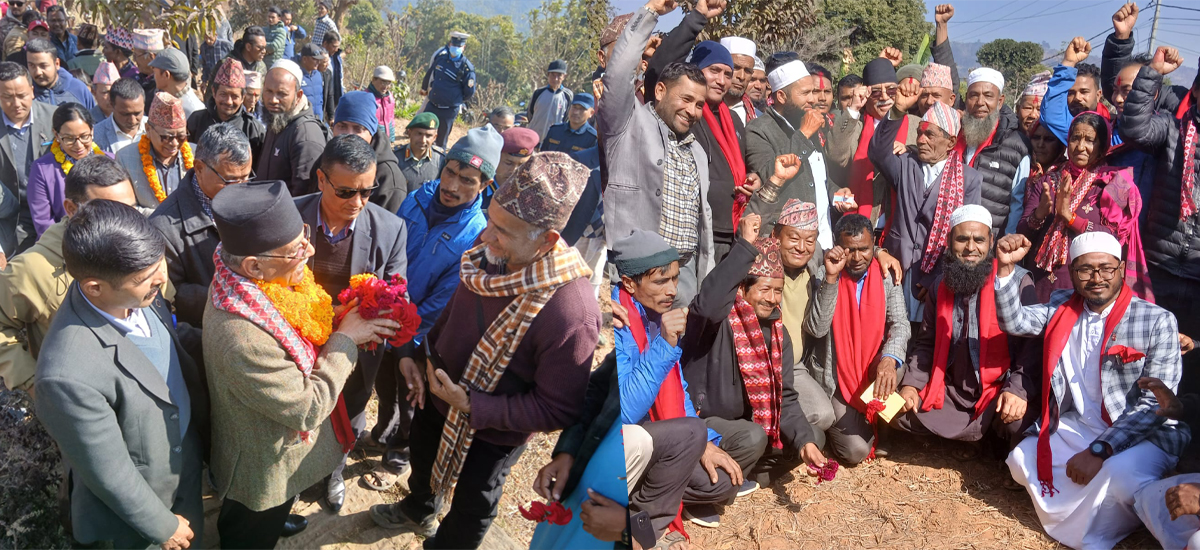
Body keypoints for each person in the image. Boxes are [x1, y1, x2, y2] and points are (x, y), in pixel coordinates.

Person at [369, 152, 598, 550]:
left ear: (547, 241)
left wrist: (473, 405)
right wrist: (423, 359)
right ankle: (418, 508)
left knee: (473, 503)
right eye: (489, 220)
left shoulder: (571, 311)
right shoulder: (487, 248)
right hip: (435, 393)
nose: (486, 235)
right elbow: (457, 308)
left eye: (503, 231)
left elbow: (559, 408)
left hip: (491, 431)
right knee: (422, 461)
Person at [203, 178, 398, 549]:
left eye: (303, 235)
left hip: (280, 449)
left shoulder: (252, 281)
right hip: (262, 463)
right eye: (294, 250)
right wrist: (346, 339)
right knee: (251, 528)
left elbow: (299, 323)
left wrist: (339, 317)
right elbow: (307, 409)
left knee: (277, 507)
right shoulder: (242, 338)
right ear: (254, 266)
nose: (308, 250)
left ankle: (276, 521)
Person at [993, 231, 1186, 550]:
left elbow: (1156, 405)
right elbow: (1015, 322)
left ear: (1122, 269)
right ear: (1072, 271)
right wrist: (1004, 271)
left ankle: (1111, 522)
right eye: (1085, 269)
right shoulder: (1061, 307)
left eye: (1106, 268)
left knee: (1119, 478)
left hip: (1143, 433)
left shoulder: (1156, 320)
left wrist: (1099, 451)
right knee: (1021, 458)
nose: (1096, 277)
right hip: (1081, 426)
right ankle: (1085, 512)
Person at [36, 198, 207, 550]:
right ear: (95, 287)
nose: (162, 277)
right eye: (146, 277)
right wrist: (161, 526)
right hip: (138, 519)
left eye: (157, 262)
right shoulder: (66, 374)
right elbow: (109, 473)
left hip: (183, 473)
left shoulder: (139, 290)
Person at [366, 126, 498, 491]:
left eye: (467, 180)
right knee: (384, 380)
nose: (452, 185)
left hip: (420, 332)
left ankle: (402, 446)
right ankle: (384, 424)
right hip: (386, 312)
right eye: (450, 172)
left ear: (484, 186)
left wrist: (405, 335)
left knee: (413, 392)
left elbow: (443, 302)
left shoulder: (475, 235)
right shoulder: (418, 198)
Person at [676, 215, 829, 526]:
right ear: (743, 288)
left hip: (746, 424)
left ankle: (749, 474)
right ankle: (704, 493)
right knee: (752, 436)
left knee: (813, 436)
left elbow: (784, 397)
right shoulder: (715, 323)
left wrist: (804, 443)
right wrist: (744, 247)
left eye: (777, 290)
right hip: (703, 420)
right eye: (764, 290)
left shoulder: (777, 333)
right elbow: (706, 303)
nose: (772, 299)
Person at [294, 134, 408, 512]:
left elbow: (398, 293)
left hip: (357, 352)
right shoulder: (289, 217)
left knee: (351, 412)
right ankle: (293, 479)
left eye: (366, 191)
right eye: (346, 192)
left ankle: (333, 471)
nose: (357, 203)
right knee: (298, 415)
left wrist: (382, 312)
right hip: (295, 345)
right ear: (321, 179)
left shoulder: (391, 229)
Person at [892, 204, 1040, 450]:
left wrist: (1017, 390)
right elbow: (926, 343)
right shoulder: (940, 286)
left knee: (1015, 422)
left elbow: (1032, 349)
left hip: (996, 389)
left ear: (991, 242)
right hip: (951, 388)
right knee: (899, 412)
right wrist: (911, 385)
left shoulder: (1017, 281)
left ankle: (981, 434)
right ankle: (977, 439)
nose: (971, 248)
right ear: (950, 242)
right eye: (962, 239)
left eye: (979, 240)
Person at [601, 0, 715, 308]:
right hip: (637, 276)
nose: (692, 110)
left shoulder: (697, 152)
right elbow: (618, 74)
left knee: (678, 356)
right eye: (686, 99)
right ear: (661, 91)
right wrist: (651, 11)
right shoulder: (628, 124)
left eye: (700, 104)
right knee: (634, 355)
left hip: (686, 277)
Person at [609, 227, 716, 544]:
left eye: (674, 278)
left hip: (656, 436)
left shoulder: (657, 313)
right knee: (692, 435)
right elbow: (625, 412)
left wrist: (706, 444)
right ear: (630, 283)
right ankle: (644, 525)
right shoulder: (616, 319)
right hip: (624, 440)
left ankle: (663, 489)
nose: (673, 290)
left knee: (723, 472)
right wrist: (666, 344)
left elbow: (678, 389)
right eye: (661, 281)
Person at [0, 155, 136, 395]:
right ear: (72, 209)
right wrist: (33, 383)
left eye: (131, 208)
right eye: (109, 211)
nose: (126, 221)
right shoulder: (32, 269)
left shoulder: (141, 242)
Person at [646, 5, 764, 265]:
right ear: (696, 71)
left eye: (728, 74)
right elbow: (658, 69)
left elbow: (745, 167)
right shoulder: (681, 116)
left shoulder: (732, 119)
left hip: (731, 233)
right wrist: (696, 19)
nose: (723, 80)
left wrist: (752, 179)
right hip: (694, 235)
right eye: (714, 71)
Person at [1120, 53, 1200, 392]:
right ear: (1196, 90)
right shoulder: (1172, 127)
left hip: (1198, 278)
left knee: (1192, 367)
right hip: (1159, 266)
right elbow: (1133, 125)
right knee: (1145, 362)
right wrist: (1152, 72)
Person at [803, 213, 910, 464]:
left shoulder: (885, 274)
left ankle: (880, 422)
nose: (857, 257)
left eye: (864, 249)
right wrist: (831, 279)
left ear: (874, 245)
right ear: (838, 246)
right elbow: (817, 329)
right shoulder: (823, 273)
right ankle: (856, 420)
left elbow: (900, 324)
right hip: (839, 378)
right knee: (855, 452)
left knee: (897, 365)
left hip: (872, 369)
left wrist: (889, 359)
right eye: (850, 250)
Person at [1017, 111, 1151, 304]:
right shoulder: (1050, 179)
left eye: (1090, 140)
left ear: (1103, 146)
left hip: (1086, 286)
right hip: (1040, 280)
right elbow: (1022, 231)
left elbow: (1114, 238)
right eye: (1075, 138)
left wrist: (1069, 217)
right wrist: (1039, 214)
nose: (1080, 147)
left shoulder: (1113, 184)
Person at [869, 100, 982, 313]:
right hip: (897, 269)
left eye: (929, 135)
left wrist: (937, 278)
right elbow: (877, 152)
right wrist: (896, 111)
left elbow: (967, 236)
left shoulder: (969, 179)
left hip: (937, 279)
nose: (920, 140)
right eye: (919, 133)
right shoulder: (905, 165)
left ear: (950, 142)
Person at [149, 123, 252, 329]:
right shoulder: (163, 227)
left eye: (246, 177)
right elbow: (168, 295)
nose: (240, 188)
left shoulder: (247, 196)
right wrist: (232, 296)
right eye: (230, 180)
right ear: (199, 168)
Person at [528, 352, 633, 550]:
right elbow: (596, 389)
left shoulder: (706, 383)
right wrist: (567, 451)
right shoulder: (640, 329)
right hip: (574, 499)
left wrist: (629, 528)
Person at [744, 59, 845, 248]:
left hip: (821, 239)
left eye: (813, 92)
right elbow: (768, 178)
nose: (813, 99)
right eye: (805, 93)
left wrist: (835, 191)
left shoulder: (806, 122)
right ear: (782, 96)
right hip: (788, 246)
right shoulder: (759, 129)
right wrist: (804, 134)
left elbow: (816, 175)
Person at [827, 57, 921, 231]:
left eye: (891, 90)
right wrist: (854, 109)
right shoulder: (855, 125)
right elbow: (836, 156)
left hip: (902, 225)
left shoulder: (917, 125)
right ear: (866, 94)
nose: (884, 97)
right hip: (859, 224)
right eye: (876, 92)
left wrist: (910, 150)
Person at [957, 67, 1031, 234]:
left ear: (1000, 101)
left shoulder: (1018, 146)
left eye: (988, 96)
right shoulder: (953, 135)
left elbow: (1017, 205)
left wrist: (1006, 245)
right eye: (973, 95)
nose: (980, 102)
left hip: (989, 244)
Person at [0, 61, 56, 255]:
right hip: (9, 218)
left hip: (52, 213)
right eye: (7, 97)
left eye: (22, 96)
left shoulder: (54, 118)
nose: (16, 104)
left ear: (32, 91)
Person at [318, 90, 405, 212]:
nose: (349, 135)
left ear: (372, 132)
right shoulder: (327, 159)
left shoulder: (388, 178)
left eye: (358, 129)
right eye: (342, 126)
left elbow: (386, 227)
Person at [27, 102, 104, 236]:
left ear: (92, 130)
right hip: (63, 245)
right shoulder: (43, 169)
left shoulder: (109, 161)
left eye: (84, 136)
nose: (78, 145)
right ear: (56, 135)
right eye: (69, 139)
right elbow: (44, 223)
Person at [258, 60, 328, 198]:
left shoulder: (305, 135)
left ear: (298, 96)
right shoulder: (278, 118)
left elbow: (306, 198)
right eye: (268, 91)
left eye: (281, 94)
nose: (273, 100)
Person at [118, 91, 191, 208]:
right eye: (166, 137)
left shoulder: (197, 154)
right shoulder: (125, 159)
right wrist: (165, 219)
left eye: (181, 136)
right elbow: (126, 207)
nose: (174, 143)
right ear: (148, 129)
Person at [186, 57, 265, 162]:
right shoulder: (197, 120)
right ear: (214, 92)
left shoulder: (252, 129)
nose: (228, 101)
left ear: (243, 97)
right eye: (223, 94)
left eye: (234, 96)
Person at [420, 30, 475, 148]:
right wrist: (425, 88)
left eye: (459, 46)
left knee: (441, 141)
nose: (456, 48)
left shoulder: (466, 68)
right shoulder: (441, 59)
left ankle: (437, 163)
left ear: (463, 47)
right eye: (454, 45)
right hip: (432, 104)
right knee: (422, 132)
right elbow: (430, 73)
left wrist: (455, 99)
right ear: (450, 45)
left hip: (448, 110)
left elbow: (469, 92)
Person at [25, 37, 92, 109]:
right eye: (32, 66)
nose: (38, 72)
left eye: (43, 66)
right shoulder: (25, 94)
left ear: (57, 64)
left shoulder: (79, 89)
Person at [148, 47, 203, 119]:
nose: (153, 76)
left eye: (155, 72)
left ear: (166, 75)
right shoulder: (165, 99)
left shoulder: (194, 112)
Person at [395, 112, 445, 193]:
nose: (423, 140)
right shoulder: (395, 157)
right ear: (409, 132)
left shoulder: (440, 160)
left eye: (428, 136)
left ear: (435, 137)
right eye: (419, 134)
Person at [93, 76, 144, 154]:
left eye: (137, 113)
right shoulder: (96, 136)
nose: (132, 120)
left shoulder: (156, 129)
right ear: (112, 105)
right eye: (125, 114)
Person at [527, 59, 573, 142]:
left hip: (553, 140)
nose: (555, 79)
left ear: (564, 76)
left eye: (559, 75)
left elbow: (566, 118)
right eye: (552, 75)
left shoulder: (567, 96)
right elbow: (530, 114)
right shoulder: (538, 93)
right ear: (548, 75)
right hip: (534, 138)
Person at [718, 36, 757, 125]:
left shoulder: (756, 117)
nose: (741, 77)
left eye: (747, 71)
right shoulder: (702, 109)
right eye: (736, 68)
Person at [493, 127, 538, 197]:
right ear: (496, 159)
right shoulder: (479, 189)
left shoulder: (533, 195)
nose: (514, 170)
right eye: (509, 163)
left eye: (522, 165)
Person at [296, 43, 326, 122]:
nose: (318, 62)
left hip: (319, 120)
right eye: (314, 59)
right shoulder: (296, 75)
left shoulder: (318, 75)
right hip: (303, 122)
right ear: (305, 59)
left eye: (319, 59)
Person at [368, 65, 396, 143]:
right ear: (373, 80)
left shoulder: (389, 97)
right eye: (383, 82)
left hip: (386, 139)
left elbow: (391, 118)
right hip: (373, 140)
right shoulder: (367, 97)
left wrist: (391, 137)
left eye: (389, 83)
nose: (386, 86)